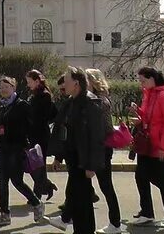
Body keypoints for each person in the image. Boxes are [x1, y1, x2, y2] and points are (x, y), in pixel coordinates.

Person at [57, 67, 108, 234]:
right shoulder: (71, 102)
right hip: (74, 159)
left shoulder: (90, 102)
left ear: (76, 83)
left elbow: (96, 136)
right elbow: (65, 131)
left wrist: (92, 165)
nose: (64, 84)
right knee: (77, 199)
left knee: (83, 202)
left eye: (66, 80)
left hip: (84, 160)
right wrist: (59, 156)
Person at [129, 67, 164, 228]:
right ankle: (147, 212)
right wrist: (137, 112)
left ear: (152, 79)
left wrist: (163, 148)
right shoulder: (149, 94)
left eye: (143, 81)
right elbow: (147, 117)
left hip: (160, 145)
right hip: (147, 143)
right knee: (141, 176)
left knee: (163, 180)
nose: (142, 84)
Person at [0, 76, 45, 226]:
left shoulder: (21, 105)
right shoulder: (1, 105)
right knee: (2, 182)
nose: (3, 89)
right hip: (2, 149)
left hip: (16, 148)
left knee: (16, 181)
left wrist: (27, 144)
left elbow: (29, 127)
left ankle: (36, 203)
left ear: (13, 88)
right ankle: (4, 214)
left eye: (6, 86)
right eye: (1, 87)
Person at [86, 69, 122, 234]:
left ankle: (115, 224)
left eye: (86, 80)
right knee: (102, 186)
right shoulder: (97, 99)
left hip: (101, 148)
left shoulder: (100, 101)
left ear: (93, 82)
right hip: (99, 148)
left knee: (106, 186)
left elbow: (105, 128)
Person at [26, 69, 58, 200]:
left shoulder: (44, 95)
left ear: (37, 81)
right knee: (34, 164)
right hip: (33, 133)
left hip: (40, 134)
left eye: (29, 82)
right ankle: (45, 186)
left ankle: (39, 191)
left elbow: (45, 115)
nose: (28, 84)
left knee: (38, 164)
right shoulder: (34, 94)